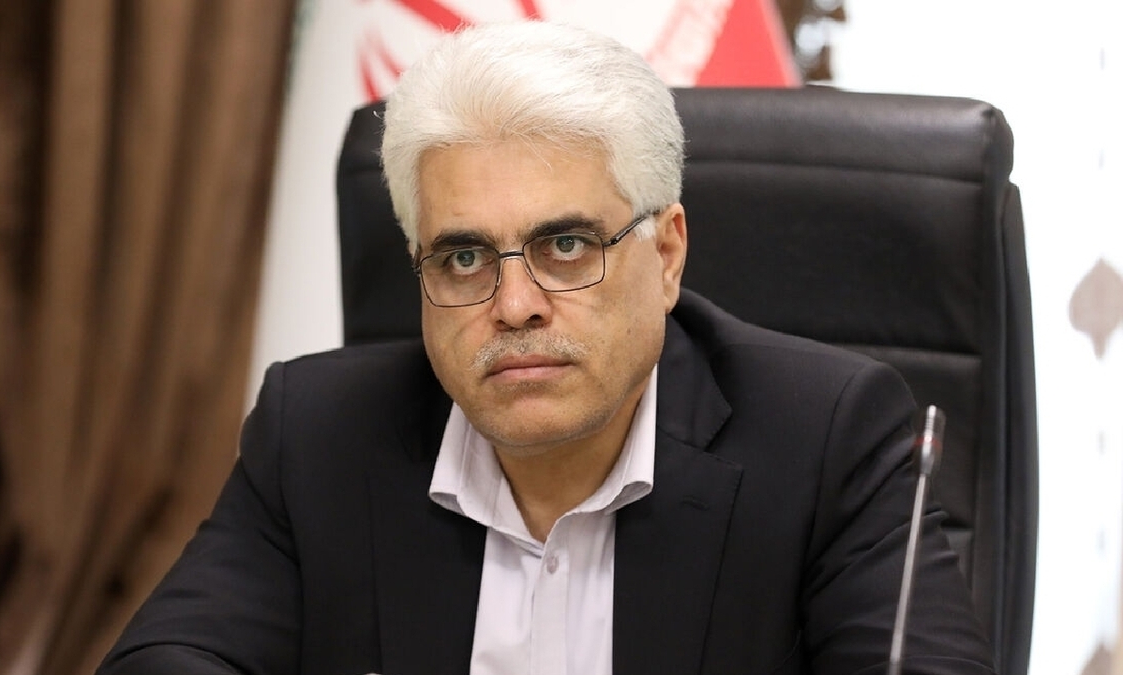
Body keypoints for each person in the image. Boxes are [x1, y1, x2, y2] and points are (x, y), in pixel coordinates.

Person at [98, 21, 995, 675]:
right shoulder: (317, 433)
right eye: (463, 257)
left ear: (667, 253)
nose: (515, 306)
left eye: (566, 245)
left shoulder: (830, 438)